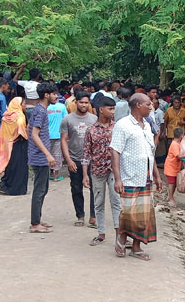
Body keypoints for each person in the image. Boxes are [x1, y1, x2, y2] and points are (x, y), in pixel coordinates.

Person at [110, 93, 164, 260]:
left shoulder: (147, 126)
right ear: (138, 105)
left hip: (145, 176)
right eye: (148, 104)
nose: (151, 107)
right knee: (128, 212)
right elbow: (115, 151)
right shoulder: (123, 125)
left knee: (143, 214)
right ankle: (122, 238)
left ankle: (136, 247)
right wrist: (118, 178)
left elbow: (150, 153)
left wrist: (156, 175)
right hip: (129, 176)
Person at [84, 97, 120, 246]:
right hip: (97, 170)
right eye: (110, 109)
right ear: (101, 109)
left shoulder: (117, 127)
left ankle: (120, 235)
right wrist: (85, 174)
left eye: (113, 109)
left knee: (116, 201)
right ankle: (101, 233)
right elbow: (86, 153)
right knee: (98, 202)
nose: (112, 111)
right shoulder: (91, 130)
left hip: (114, 170)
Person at [60, 91, 97, 227]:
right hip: (75, 159)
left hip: (92, 160)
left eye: (86, 102)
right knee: (76, 188)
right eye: (81, 102)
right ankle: (80, 216)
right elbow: (63, 140)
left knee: (95, 189)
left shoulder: (94, 119)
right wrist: (68, 160)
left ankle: (93, 216)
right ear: (76, 102)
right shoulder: (67, 119)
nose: (84, 105)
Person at [27, 82, 58, 233]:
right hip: (40, 157)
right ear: (46, 95)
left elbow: (29, 129)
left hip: (39, 154)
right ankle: (34, 223)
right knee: (39, 190)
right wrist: (47, 153)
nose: (56, 96)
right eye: (54, 93)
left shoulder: (39, 110)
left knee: (43, 188)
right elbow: (34, 134)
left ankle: (37, 219)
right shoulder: (41, 111)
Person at [0, 97, 29, 196]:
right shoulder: (20, 117)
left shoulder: (6, 117)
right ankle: (17, 189)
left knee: (10, 166)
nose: (25, 106)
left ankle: (6, 186)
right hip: (19, 145)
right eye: (24, 104)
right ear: (19, 105)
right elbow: (22, 132)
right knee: (19, 168)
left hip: (8, 145)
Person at [47, 98, 68, 181]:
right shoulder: (62, 107)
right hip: (58, 134)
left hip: (47, 135)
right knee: (57, 155)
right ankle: (56, 176)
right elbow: (66, 119)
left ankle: (51, 173)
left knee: (49, 154)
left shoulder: (46, 107)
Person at [164, 128, 184, 206]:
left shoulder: (178, 143)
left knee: (174, 183)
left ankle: (171, 197)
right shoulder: (174, 144)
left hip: (175, 167)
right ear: (181, 136)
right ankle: (170, 198)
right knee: (171, 183)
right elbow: (178, 156)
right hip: (171, 167)